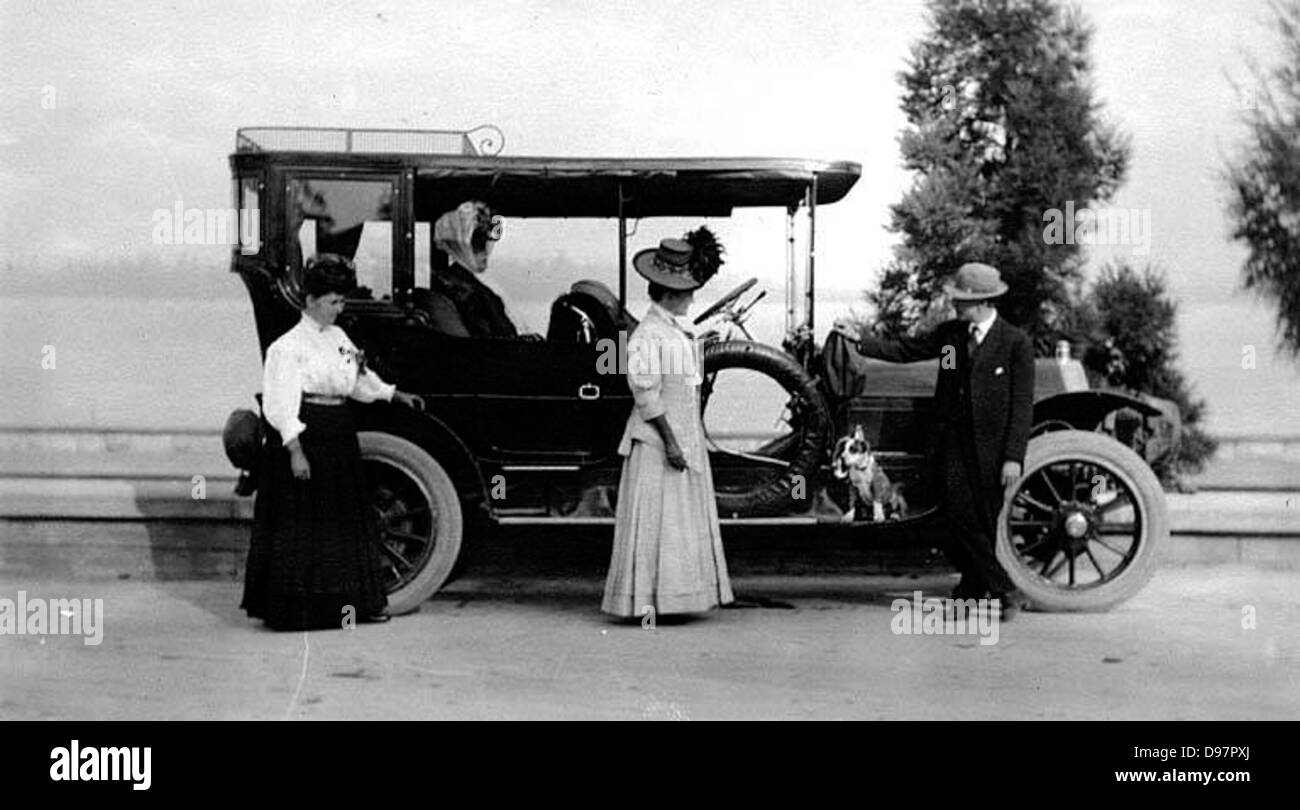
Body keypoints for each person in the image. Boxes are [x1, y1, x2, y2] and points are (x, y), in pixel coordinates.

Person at [833, 262, 1034, 619]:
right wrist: (859, 340)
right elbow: (905, 350)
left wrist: (1013, 457)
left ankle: (968, 596)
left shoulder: (1015, 343)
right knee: (958, 521)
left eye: (962, 301)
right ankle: (1005, 590)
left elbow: (1021, 407)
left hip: (993, 453)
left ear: (985, 302)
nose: (955, 306)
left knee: (983, 525)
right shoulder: (951, 336)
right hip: (953, 446)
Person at [242, 253, 426, 631]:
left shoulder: (339, 338)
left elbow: (358, 381)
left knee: (343, 523)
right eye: (332, 302)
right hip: (307, 435)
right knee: (307, 524)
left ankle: (352, 607)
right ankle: (301, 613)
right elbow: (279, 405)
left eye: (341, 302)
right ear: (309, 301)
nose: (338, 310)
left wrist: (392, 394)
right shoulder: (286, 347)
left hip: (339, 433)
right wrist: (295, 450)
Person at [602, 238, 734, 619]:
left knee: (675, 524)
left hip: (680, 440)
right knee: (659, 524)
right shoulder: (647, 334)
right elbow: (648, 397)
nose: (691, 299)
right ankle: (649, 602)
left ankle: (675, 600)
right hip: (659, 443)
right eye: (686, 292)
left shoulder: (671, 329)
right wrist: (673, 444)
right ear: (670, 295)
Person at [431, 200, 529, 338]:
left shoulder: (456, 282)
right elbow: (485, 342)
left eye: (486, 243)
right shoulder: (464, 292)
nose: (485, 252)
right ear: (459, 245)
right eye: (477, 243)